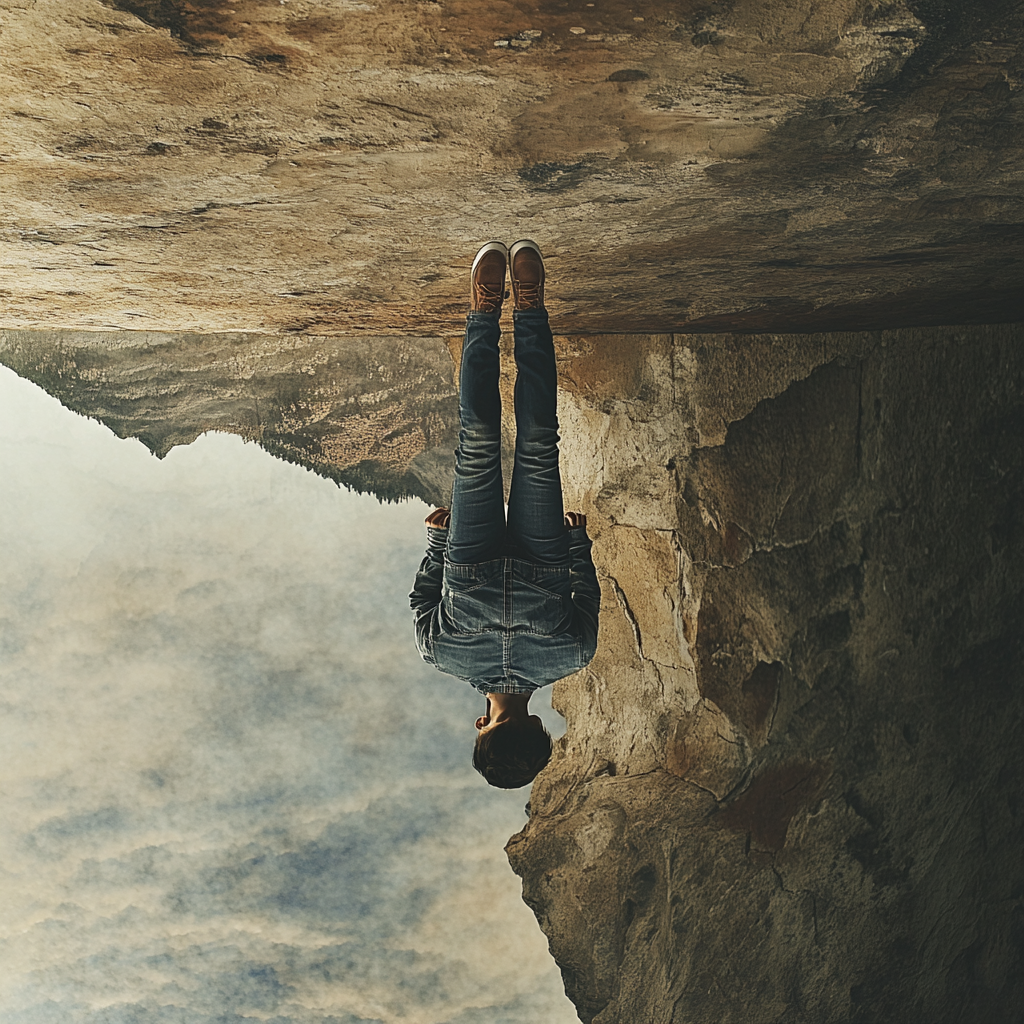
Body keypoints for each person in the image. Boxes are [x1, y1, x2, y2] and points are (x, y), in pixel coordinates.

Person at [409, 240, 601, 789]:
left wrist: (578, 548)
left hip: (523, 554)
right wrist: (434, 545)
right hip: (479, 557)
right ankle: (500, 308)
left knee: (536, 441)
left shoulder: (573, 655)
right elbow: (422, 596)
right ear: (480, 727)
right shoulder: (439, 654)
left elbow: (586, 595)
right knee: (481, 440)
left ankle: (511, 309)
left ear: (538, 726)